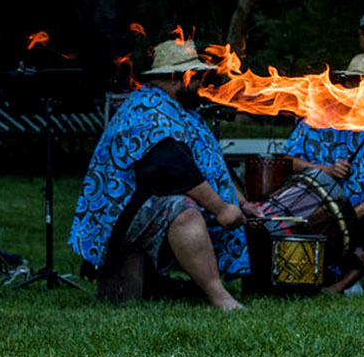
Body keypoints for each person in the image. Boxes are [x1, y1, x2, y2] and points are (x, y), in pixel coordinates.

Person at [69, 38, 250, 310]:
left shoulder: (180, 111)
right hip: (120, 214)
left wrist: (243, 204)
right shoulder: (148, 111)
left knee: (188, 205)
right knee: (184, 210)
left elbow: (209, 168)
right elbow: (174, 170)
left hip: (151, 200)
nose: (201, 85)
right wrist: (222, 209)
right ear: (179, 78)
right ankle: (220, 297)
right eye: (197, 77)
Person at [283, 53, 364, 293]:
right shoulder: (318, 117)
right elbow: (287, 161)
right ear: (346, 83)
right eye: (354, 81)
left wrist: (353, 214)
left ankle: (344, 284)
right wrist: (326, 170)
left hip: (361, 214)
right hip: (316, 209)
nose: (359, 87)